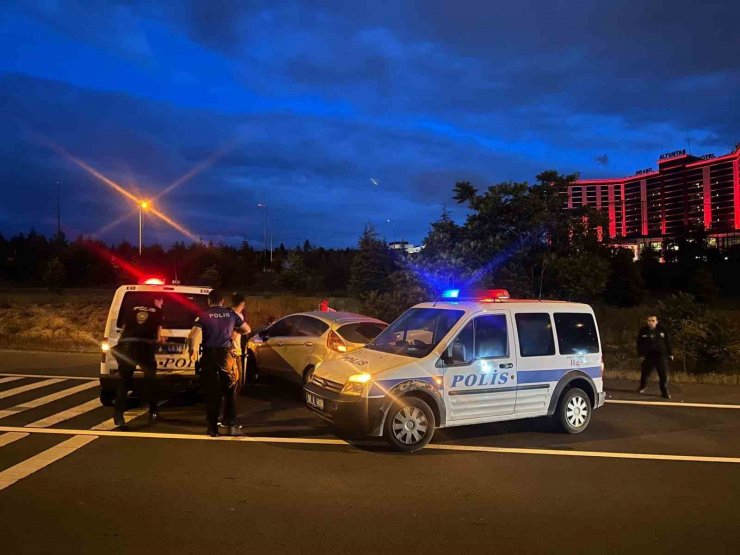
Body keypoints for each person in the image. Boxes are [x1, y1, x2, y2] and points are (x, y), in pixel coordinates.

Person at [188, 289, 250, 436]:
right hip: (225, 355)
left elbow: (192, 336)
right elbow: (247, 329)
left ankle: (212, 427)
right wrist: (234, 332)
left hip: (209, 355)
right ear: (222, 301)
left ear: (209, 301)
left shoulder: (204, 315)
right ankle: (230, 420)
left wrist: (192, 350)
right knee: (230, 387)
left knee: (210, 391)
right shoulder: (231, 314)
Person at [111, 295, 165, 427]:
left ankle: (118, 416)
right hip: (143, 348)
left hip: (126, 347)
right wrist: (161, 342)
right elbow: (158, 337)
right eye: (161, 301)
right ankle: (153, 411)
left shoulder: (131, 309)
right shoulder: (158, 312)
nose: (162, 304)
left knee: (124, 382)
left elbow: (123, 330)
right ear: (156, 300)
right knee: (151, 380)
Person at [636, 314, 673, 399]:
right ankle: (642, 386)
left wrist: (670, 353)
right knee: (645, 373)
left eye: (653, 321)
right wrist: (640, 355)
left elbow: (668, 342)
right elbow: (639, 344)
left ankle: (664, 391)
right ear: (647, 321)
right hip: (648, 357)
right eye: (649, 321)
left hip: (661, 356)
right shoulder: (643, 331)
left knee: (663, 375)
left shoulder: (662, 330)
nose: (651, 322)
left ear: (656, 321)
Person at [228, 292, 251, 396]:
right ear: (242, 304)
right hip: (234, 352)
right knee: (237, 380)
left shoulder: (226, 312)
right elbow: (246, 330)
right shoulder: (236, 315)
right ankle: (231, 403)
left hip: (226, 351)